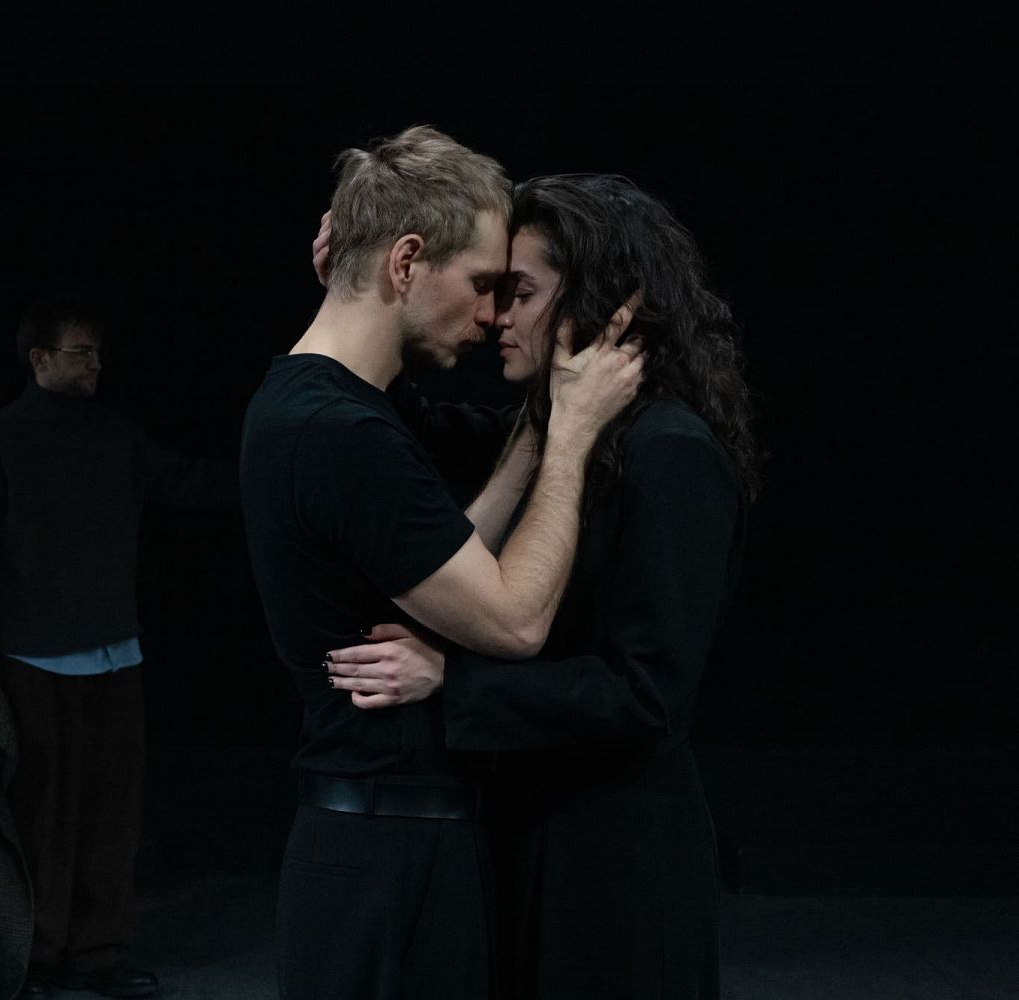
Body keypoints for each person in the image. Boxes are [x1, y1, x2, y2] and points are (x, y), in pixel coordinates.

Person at [325, 173, 759, 998]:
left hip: (615, 862)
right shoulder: (560, 434)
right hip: (537, 833)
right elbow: (406, 425)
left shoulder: (670, 452)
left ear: (596, 303)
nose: (496, 317)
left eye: (520, 294)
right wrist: (355, 287)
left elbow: (649, 696)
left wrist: (453, 679)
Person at [239, 127, 644, 1000]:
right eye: (483, 284)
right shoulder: (341, 435)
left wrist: (543, 421)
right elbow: (515, 620)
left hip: (379, 848)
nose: (495, 316)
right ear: (407, 262)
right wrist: (571, 436)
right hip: (392, 861)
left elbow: (449, 542)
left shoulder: (315, 403)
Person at [0, 297, 238, 999]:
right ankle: (32, 953)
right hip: (30, 658)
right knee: (41, 812)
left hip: (113, 655)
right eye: (81, 352)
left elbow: (185, 479)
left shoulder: (113, 435)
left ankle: (98, 950)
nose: (96, 363)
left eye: (98, 352)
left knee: (111, 812)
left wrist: (271, 469)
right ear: (40, 359)